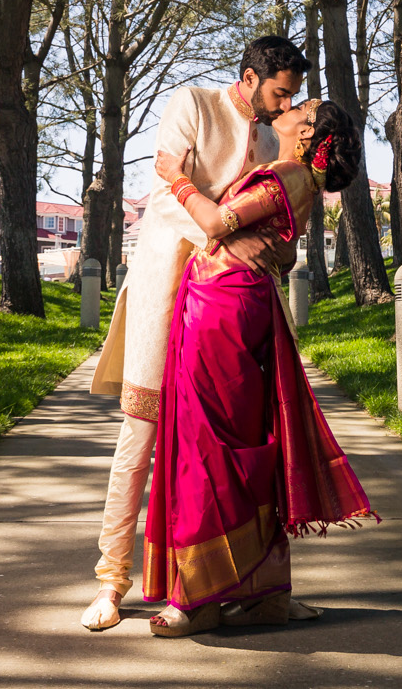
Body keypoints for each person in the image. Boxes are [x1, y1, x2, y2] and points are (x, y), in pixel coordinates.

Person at [80, 36, 307, 632]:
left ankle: (253, 584)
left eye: (293, 97)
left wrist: (268, 244)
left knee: (244, 443)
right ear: (250, 76)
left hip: (230, 307)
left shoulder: (270, 138)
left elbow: (274, 218)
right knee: (140, 434)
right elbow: (166, 186)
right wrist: (232, 234)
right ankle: (111, 580)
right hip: (166, 287)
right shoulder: (194, 104)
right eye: (280, 92)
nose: (285, 106)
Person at [142, 97, 376, 637]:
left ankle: (199, 599)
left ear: (310, 131)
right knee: (239, 441)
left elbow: (219, 221)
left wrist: (176, 178)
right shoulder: (296, 177)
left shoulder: (289, 175)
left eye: (303, 106)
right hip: (232, 304)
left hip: (222, 309)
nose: (290, 107)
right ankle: (263, 592)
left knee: (209, 449)